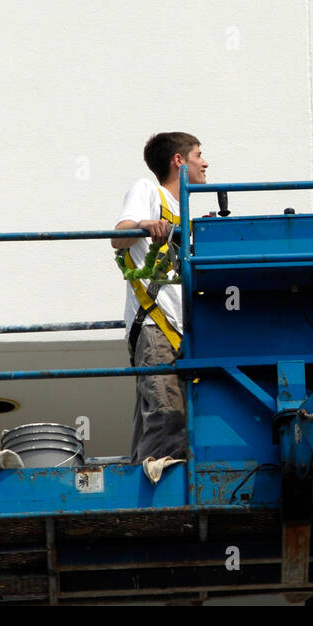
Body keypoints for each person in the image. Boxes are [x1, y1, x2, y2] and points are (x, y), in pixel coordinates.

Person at [112, 132, 209, 463]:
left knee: (161, 417)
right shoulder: (148, 191)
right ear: (179, 160)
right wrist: (143, 224)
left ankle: (139, 486)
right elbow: (118, 237)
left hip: (177, 328)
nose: (205, 161)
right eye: (198, 154)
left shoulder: (185, 211)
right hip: (155, 324)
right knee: (168, 415)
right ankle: (156, 499)